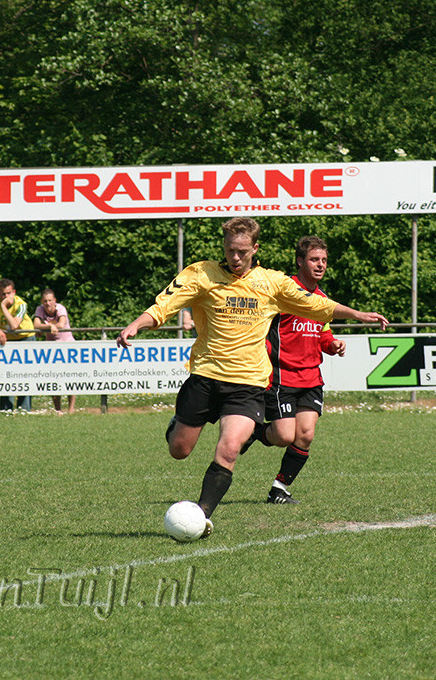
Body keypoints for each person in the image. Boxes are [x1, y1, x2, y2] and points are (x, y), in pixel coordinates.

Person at [116, 217, 389, 536]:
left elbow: (315, 304)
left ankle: (201, 518)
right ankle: (178, 424)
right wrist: (137, 324)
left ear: (255, 249)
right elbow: (164, 305)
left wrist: (357, 314)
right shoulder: (201, 274)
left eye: (242, 251)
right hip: (205, 376)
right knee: (180, 450)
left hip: (248, 383)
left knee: (231, 448)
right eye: (230, 250)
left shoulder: (272, 282)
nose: (235, 257)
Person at [239, 235, 347, 504]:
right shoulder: (283, 293)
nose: (320, 265)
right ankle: (254, 431)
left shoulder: (322, 300)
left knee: (306, 435)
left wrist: (333, 345)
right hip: (281, 377)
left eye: (324, 260)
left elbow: (323, 335)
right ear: (300, 261)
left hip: (311, 378)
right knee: (284, 435)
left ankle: (279, 488)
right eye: (314, 259)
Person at [0, 278, 34, 412]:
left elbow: (14, 325)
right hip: (7, 340)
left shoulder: (21, 304)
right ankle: (5, 409)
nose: (6, 296)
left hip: (25, 337)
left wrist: (3, 307)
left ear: (14, 292)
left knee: (25, 374)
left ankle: (24, 409)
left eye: (9, 293)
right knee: (6, 374)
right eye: (3, 294)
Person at [33, 288, 75, 414]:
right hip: (51, 347)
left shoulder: (60, 309)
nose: (48, 303)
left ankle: (71, 409)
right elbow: (36, 325)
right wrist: (50, 326)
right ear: (42, 302)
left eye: (50, 300)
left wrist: (45, 327)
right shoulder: (39, 309)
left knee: (70, 378)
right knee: (53, 378)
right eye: (45, 301)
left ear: (55, 300)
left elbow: (61, 324)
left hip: (67, 345)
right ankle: (58, 410)